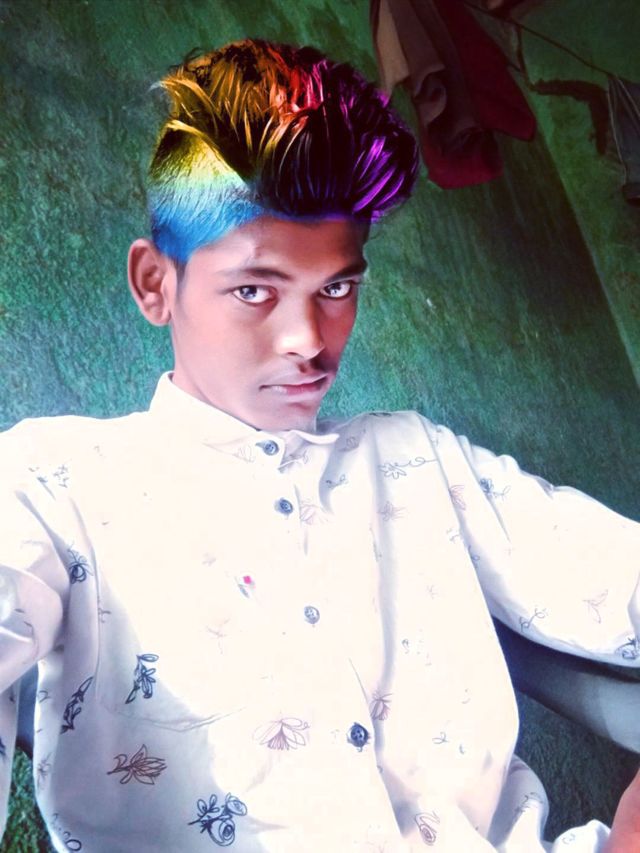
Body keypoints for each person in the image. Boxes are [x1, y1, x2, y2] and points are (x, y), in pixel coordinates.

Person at [0, 38, 638, 852]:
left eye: (337, 287)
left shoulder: (418, 460)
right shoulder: (52, 486)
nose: (309, 339)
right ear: (156, 283)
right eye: (254, 289)